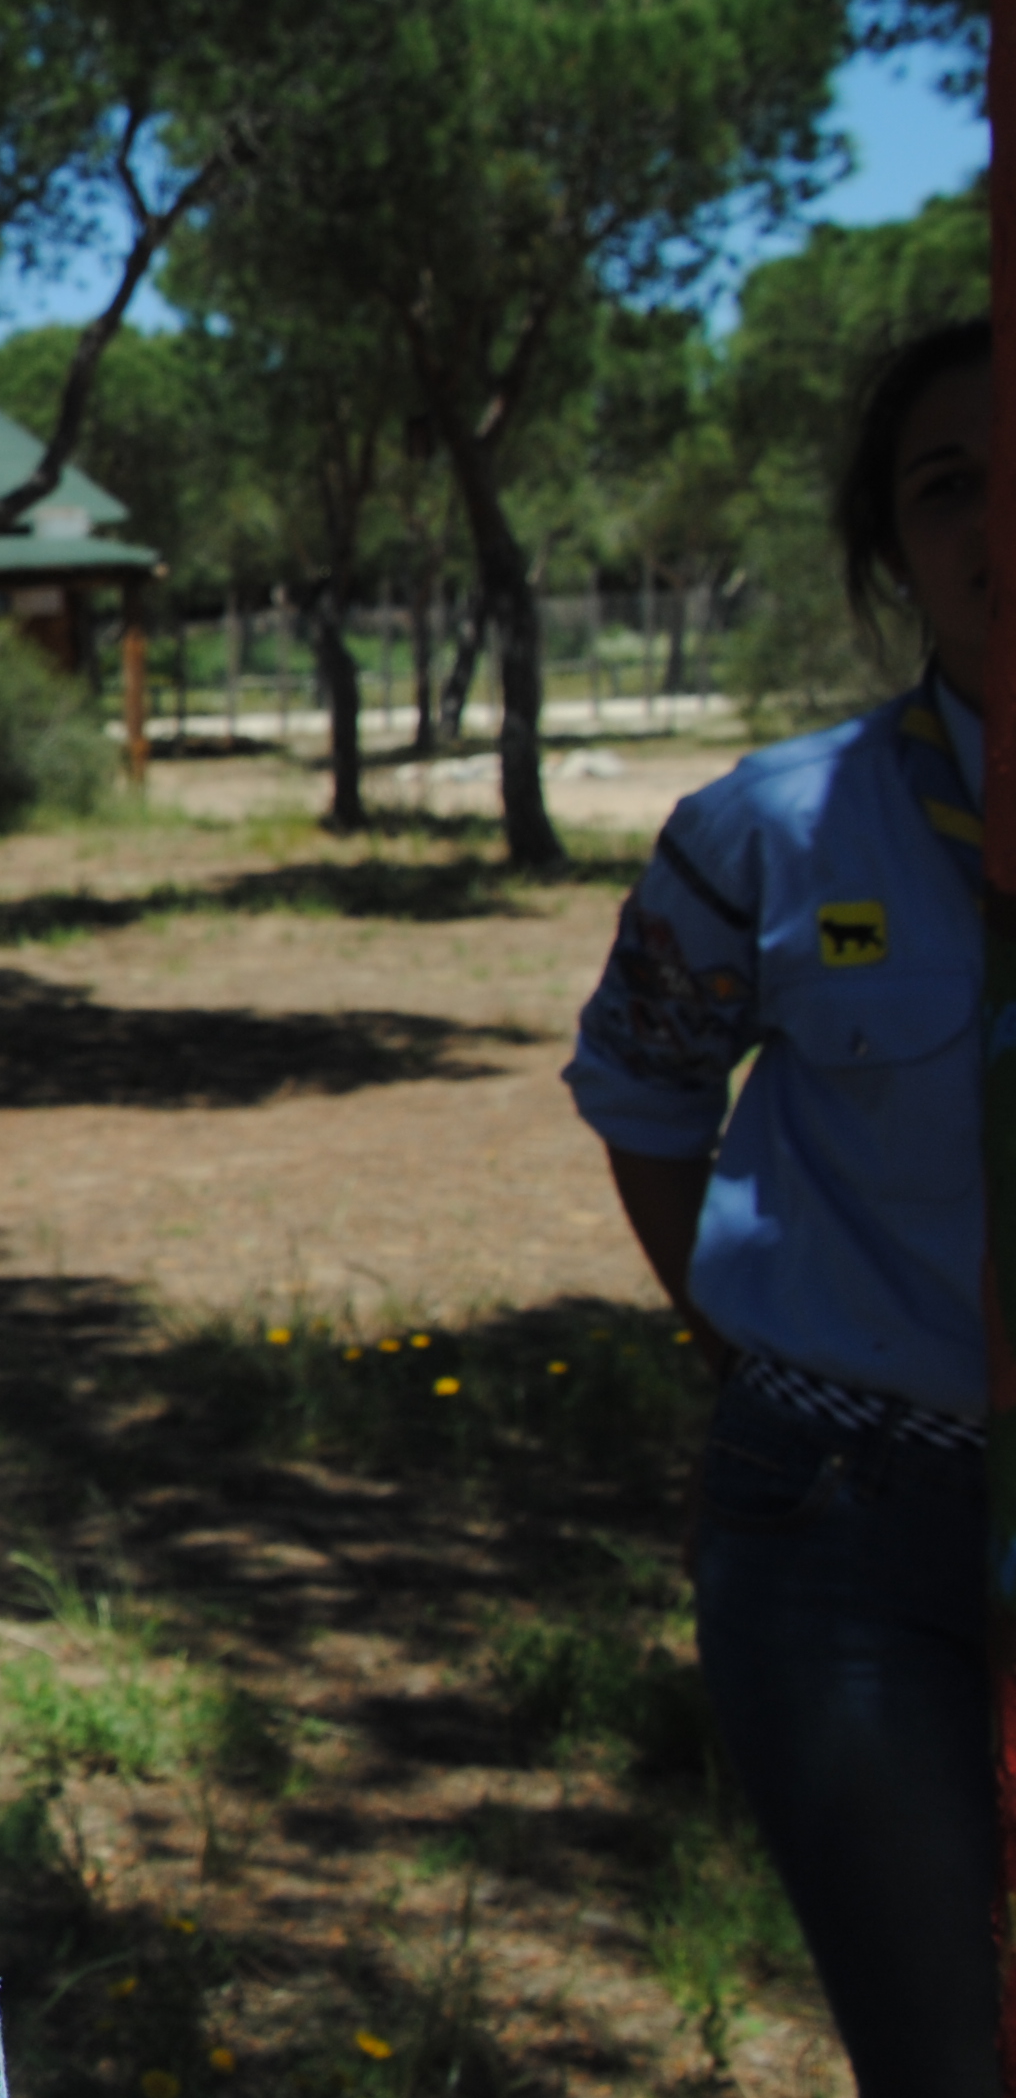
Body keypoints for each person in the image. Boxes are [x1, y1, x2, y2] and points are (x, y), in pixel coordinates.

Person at [566, 315, 998, 2097]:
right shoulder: (771, 833)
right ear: (890, 548)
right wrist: (741, 1341)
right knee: (946, 2051)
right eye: (945, 483)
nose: (996, 522)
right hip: (852, 1519)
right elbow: (643, 1092)